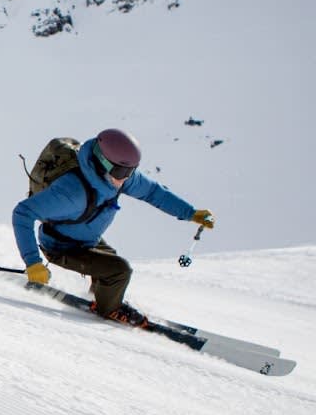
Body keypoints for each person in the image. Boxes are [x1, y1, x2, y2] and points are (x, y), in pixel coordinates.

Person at [13, 128, 214, 326]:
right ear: (102, 163)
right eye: (121, 171)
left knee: (111, 262)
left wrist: (191, 213)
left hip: (87, 238)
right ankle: (109, 310)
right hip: (60, 245)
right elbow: (23, 213)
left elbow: (153, 192)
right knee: (119, 271)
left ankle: (99, 298)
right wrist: (33, 262)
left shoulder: (116, 178)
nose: (126, 177)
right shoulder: (71, 192)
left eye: (131, 171)